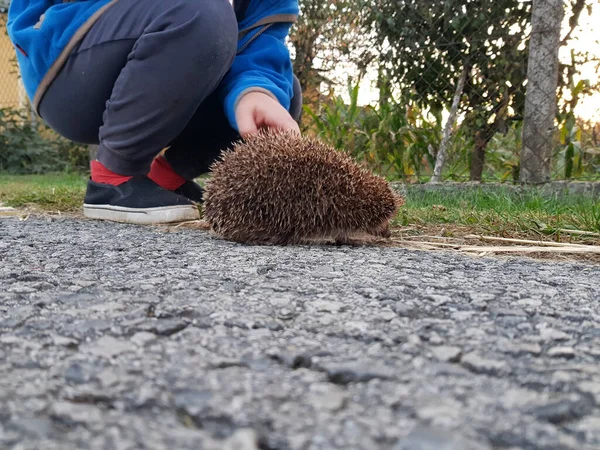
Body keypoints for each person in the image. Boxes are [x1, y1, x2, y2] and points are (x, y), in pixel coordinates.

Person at [6, 0, 302, 224]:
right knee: (202, 11)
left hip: (183, 43)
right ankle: (113, 176)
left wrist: (253, 92)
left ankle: (164, 177)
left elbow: (261, 42)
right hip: (67, 60)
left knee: (282, 93)